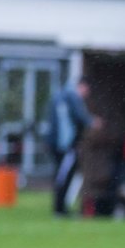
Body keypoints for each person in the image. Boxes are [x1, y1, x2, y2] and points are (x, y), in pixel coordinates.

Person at [45, 78, 94, 216]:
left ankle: (61, 207)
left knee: (63, 175)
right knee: (63, 176)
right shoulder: (71, 97)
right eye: (86, 91)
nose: (86, 95)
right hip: (65, 147)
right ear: (82, 86)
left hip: (59, 145)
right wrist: (92, 122)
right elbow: (80, 117)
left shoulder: (61, 96)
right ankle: (59, 209)